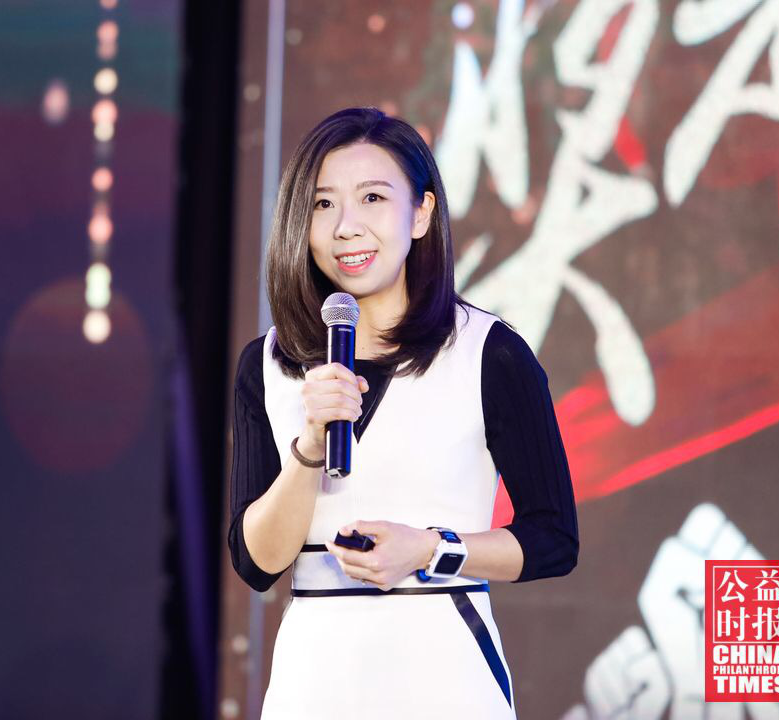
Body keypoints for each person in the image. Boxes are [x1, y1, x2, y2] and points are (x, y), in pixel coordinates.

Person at [228, 107, 578, 718]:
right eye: (323, 204)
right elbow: (258, 563)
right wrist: (309, 447)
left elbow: (553, 539)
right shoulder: (268, 364)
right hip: (314, 685)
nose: (347, 227)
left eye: (372, 198)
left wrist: (430, 550)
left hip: (445, 678)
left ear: (420, 214)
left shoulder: (487, 352)